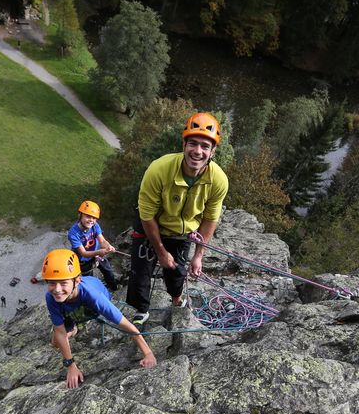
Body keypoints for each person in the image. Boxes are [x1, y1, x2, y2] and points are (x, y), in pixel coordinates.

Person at [126, 112, 229, 325]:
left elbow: (210, 219)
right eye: (193, 143)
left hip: (182, 231)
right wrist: (161, 252)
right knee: (140, 271)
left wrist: (199, 255)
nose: (198, 151)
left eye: (205, 146)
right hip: (151, 225)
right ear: (184, 144)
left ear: (213, 151)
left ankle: (176, 299)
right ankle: (140, 310)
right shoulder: (159, 170)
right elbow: (147, 215)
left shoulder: (218, 180)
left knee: (177, 272)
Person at [42, 249, 155, 389]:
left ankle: (74, 325)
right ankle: (74, 328)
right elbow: (59, 332)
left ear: (77, 280)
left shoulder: (93, 296)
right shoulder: (51, 297)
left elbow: (124, 324)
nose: (57, 289)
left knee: (62, 336)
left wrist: (148, 353)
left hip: (92, 308)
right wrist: (70, 365)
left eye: (63, 283)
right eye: (52, 283)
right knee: (55, 342)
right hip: (72, 310)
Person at [68, 200, 118, 291]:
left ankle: (114, 288)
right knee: (89, 279)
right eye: (88, 216)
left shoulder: (95, 226)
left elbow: (102, 240)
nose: (91, 220)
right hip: (83, 260)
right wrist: (99, 252)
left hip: (98, 254)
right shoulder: (73, 233)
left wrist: (108, 246)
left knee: (108, 271)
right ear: (80, 215)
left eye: (94, 218)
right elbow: (83, 253)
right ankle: (93, 293)